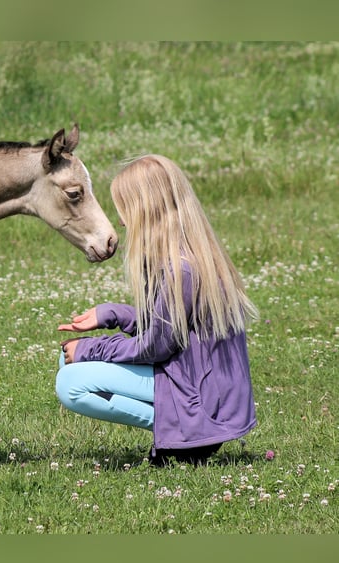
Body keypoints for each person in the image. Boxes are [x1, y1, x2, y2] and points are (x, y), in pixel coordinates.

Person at [55, 154, 258, 466]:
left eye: (124, 209)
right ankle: (184, 431)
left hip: (204, 400)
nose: (120, 221)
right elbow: (173, 326)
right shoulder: (187, 257)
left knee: (72, 383)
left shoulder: (181, 270)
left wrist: (92, 347)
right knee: (67, 361)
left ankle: (190, 436)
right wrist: (113, 314)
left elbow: (157, 346)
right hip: (202, 384)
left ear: (144, 210)